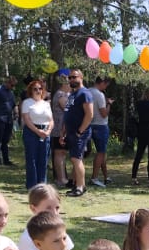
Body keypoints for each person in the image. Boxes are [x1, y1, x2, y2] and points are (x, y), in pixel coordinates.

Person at [17, 183, 75, 250]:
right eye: (48, 208)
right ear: (33, 208)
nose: (54, 213)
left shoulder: (61, 234)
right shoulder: (28, 238)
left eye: (57, 208)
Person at [61, 69, 95, 197]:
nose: (71, 79)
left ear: (81, 77)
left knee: (76, 158)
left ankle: (80, 187)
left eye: (74, 77)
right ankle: (78, 185)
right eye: (69, 77)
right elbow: (67, 113)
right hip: (70, 132)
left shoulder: (85, 93)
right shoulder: (72, 94)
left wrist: (80, 131)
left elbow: (89, 114)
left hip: (80, 132)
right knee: (75, 158)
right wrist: (63, 132)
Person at [19, 80, 54, 190]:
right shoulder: (27, 103)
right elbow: (27, 119)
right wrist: (38, 131)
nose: (38, 91)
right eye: (35, 89)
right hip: (31, 132)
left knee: (43, 159)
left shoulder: (46, 104)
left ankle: (42, 184)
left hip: (45, 132)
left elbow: (51, 120)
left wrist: (48, 131)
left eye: (40, 88)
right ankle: (32, 185)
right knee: (32, 159)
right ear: (31, 90)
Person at [88, 74, 113, 188]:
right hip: (100, 125)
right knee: (101, 152)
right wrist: (109, 104)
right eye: (106, 85)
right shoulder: (99, 94)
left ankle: (106, 176)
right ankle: (94, 178)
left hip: (89, 124)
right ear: (102, 83)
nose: (106, 87)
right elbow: (104, 114)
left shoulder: (87, 91)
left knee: (102, 153)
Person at [0, 75, 16, 168]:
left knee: (6, 140)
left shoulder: (11, 92)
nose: (13, 87)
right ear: (7, 82)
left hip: (9, 119)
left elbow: (13, 104)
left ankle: (6, 160)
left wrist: (15, 113)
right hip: (0, 118)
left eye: (14, 85)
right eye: (12, 85)